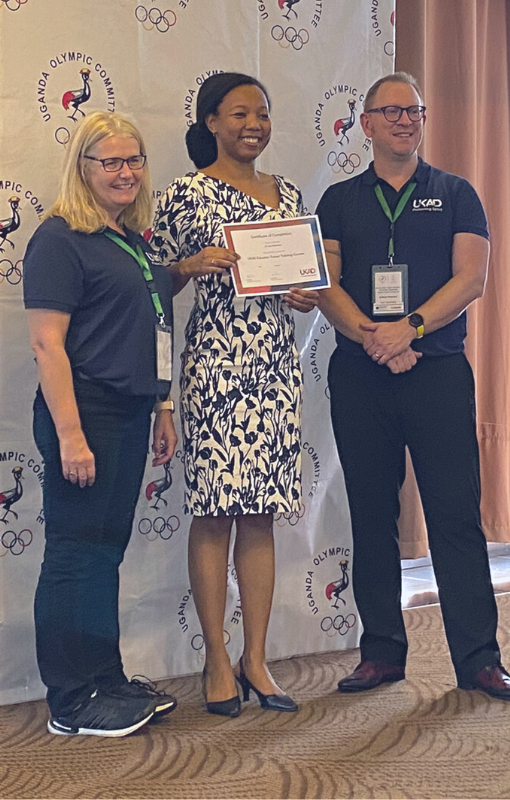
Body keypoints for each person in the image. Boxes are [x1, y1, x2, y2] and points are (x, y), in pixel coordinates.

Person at [315, 72, 510, 702]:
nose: (406, 120)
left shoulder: (458, 193)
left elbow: (472, 279)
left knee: (455, 518)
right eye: (392, 111)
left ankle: (479, 661)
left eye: (414, 110)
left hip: (435, 372)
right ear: (367, 124)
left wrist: (405, 330)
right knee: (371, 514)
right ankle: (381, 653)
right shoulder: (338, 199)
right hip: (360, 375)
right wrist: (373, 338)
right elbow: (326, 282)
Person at [151, 72, 318, 716]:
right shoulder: (186, 194)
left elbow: (294, 279)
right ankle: (216, 659)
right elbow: (150, 282)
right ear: (212, 122)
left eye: (264, 113)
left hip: (275, 365)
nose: (254, 123)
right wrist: (187, 267)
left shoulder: (289, 192)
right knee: (215, 509)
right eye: (240, 113)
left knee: (261, 513)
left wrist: (301, 293)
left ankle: (256, 658)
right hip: (217, 365)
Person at [23, 111, 179, 737]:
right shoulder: (59, 238)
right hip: (83, 412)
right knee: (73, 553)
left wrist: (163, 406)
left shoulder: (132, 239)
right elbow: (47, 346)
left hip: (130, 412)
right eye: (109, 161)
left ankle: (104, 677)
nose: (124, 171)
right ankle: (71, 700)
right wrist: (69, 435)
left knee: (103, 553)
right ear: (82, 168)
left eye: (133, 159)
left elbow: (154, 332)